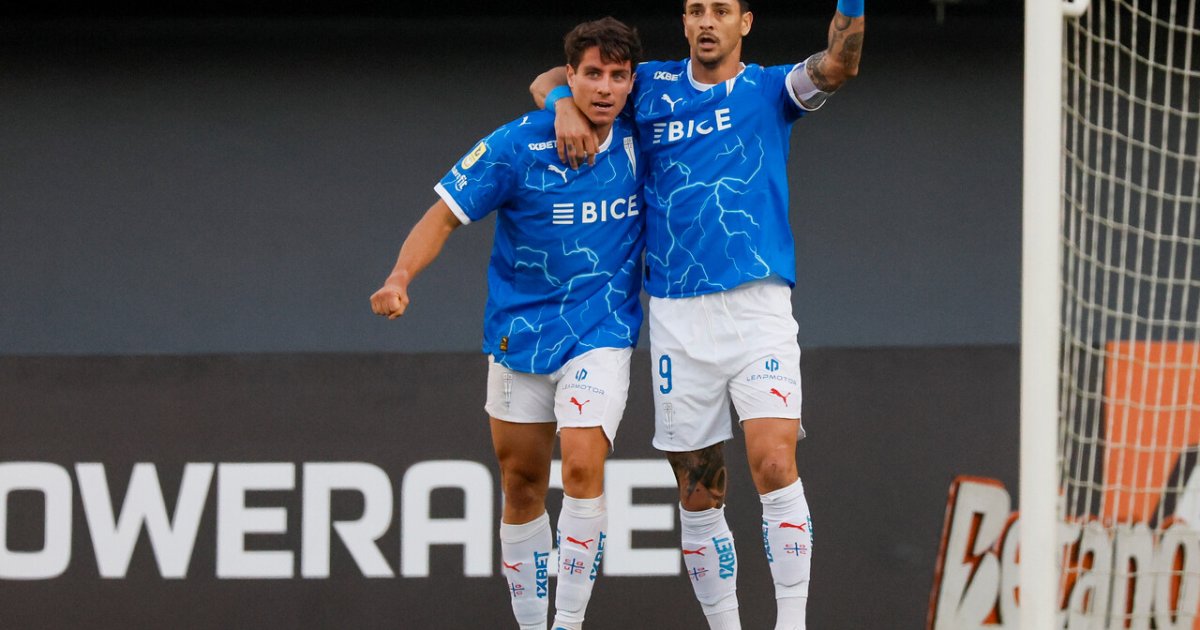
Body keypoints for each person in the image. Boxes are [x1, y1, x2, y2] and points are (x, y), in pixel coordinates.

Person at [531, 2, 864, 629]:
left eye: (720, 10)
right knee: (698, 490)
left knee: (774, 463)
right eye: (695, 11)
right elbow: (551, 79)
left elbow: (840, 64)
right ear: (684, 23)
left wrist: (852, 7)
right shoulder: (648, 84)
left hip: (757, 306)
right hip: (677, 314)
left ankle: (791, 622)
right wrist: (564, 107)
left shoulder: (770, 89)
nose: (707, 21)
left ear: (746, 23)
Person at [371, 17, 644, 630]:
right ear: (571, 75)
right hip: (520, 335)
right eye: (591, 74)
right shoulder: (517, 144)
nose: (604, 87)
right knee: (522, 484)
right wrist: (399, 278)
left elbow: (546, 81)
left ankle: (568, 622)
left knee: (582, 466)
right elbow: (442, 217)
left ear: (631, 82)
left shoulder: (643, 129)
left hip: (601, 331)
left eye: (617, 76)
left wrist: (559, 98)